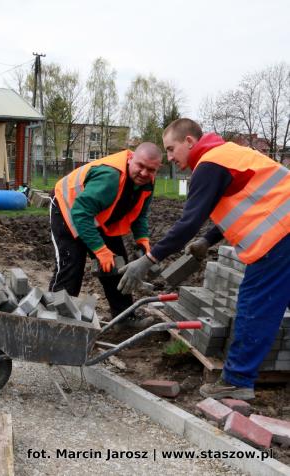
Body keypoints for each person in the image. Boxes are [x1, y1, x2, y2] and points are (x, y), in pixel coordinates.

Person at [118, 118, 290, 400]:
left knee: (255, 305)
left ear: (189, 141)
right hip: (286, 228)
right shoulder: (228, 154)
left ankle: (237, 381)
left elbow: (187, 223)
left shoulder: (210, 164)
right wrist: (208, 240)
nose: (170, 158)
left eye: (171, 149)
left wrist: (148, 259)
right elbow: (250, 202)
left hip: (280, 236)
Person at [49, 142, 163, 325]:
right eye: (140, 166)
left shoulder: (147, 183)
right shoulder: (110, 177)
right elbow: (80, 213)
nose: (144, 173)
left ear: (158, 169)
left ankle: (124, 318)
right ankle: (55, 320)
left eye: (150, 170)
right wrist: (100, 250)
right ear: (131, 158)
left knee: (117, 265)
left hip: (97, 214)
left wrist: (143, 241)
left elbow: (139, 214)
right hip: (68, 209)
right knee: (71, 265)